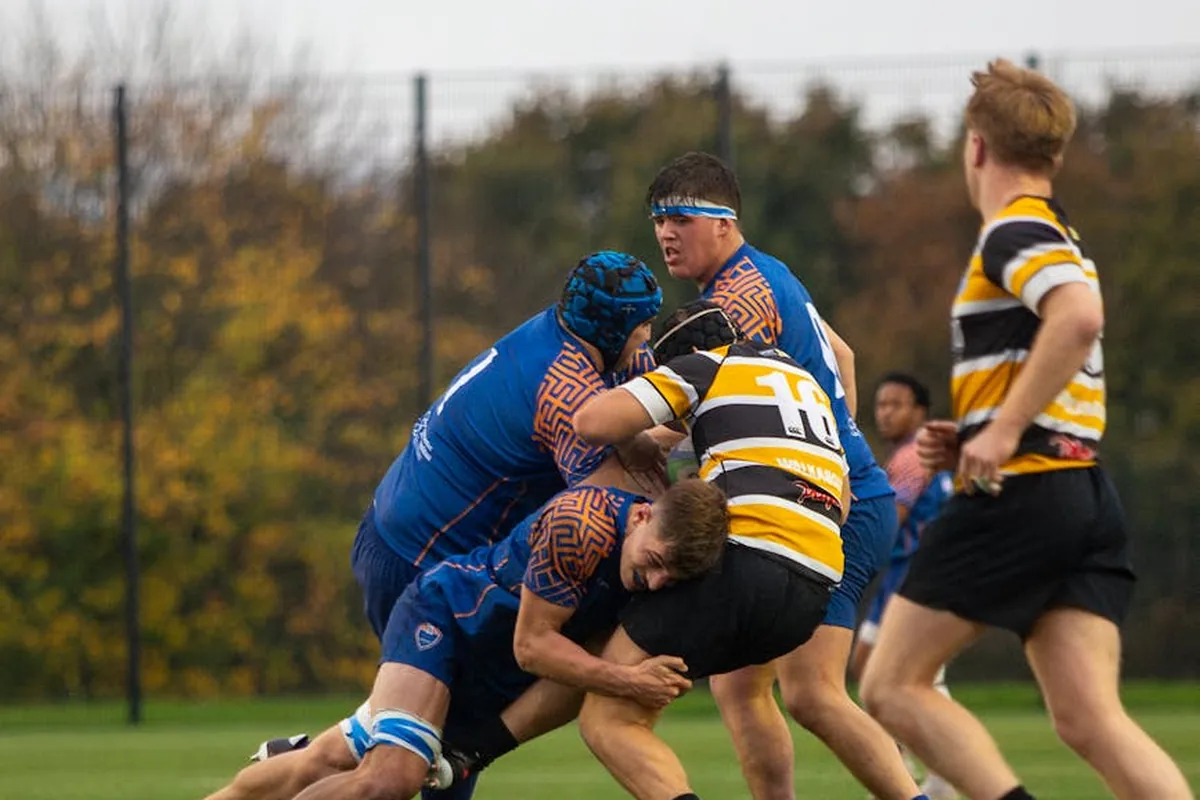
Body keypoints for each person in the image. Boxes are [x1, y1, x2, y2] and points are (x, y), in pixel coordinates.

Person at [204, 251, 666, 800]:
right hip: (423, 561)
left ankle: (311, 757)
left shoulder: (564, 333)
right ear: (612, 330)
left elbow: (638, 406)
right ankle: (326, 756)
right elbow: (612, 496)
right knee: (433, 758)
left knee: (422, 744)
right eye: (643, 326)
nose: (648, 336)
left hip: (401, 533)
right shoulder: (566, 391)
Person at [859, 59, 1193, 800]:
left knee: (890, 685)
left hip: (1025, 491)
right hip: (1082, 491)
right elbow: (1059, 345)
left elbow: (1078, 319)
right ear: (1057, 154)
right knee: (1089, 717)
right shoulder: (1061, 234)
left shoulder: (1013, 229)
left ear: (976, 147)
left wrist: (1004, 432)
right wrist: (975, 430)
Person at [645, 152, 924, 800]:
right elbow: (844, 357)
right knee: (741, 685)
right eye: (658, 220)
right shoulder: (768, 274)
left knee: (811, 692)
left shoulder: (736, 302)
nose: (665, 234)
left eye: (681, 218)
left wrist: (624, 441)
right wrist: (834, 442)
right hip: (837, 491)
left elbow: (695, 408)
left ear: (723, 222)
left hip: (834, 505)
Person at [285, 479, 728, 800]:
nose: (655, 582)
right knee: (389, 780)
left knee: (326, 760)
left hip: (493, 675)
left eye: (670, 578)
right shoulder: (582, 524)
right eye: (655, 561)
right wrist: (631, 681)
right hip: (446, 621)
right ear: (643, 515)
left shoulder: (652, 566)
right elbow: (532, 647)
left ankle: (268, 767)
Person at [572, 299, 852, 800]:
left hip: (746, 563)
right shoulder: (802, 381)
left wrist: (639, 440)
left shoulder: (704, 366)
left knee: (608, 716)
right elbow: (843, 504)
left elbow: (592, 422)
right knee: (745, 698)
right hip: (812, 595)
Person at [852, 373, 956, 800]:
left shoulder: (915, 457)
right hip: (912, 575)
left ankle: (933, 771)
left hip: (914, 578)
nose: (885, 413)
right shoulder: (932, 454)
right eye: (881, 404)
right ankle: (911, 766)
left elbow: (889, 521)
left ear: (920, 410)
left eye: (896, 404)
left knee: (901, 676)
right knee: (876, 668)